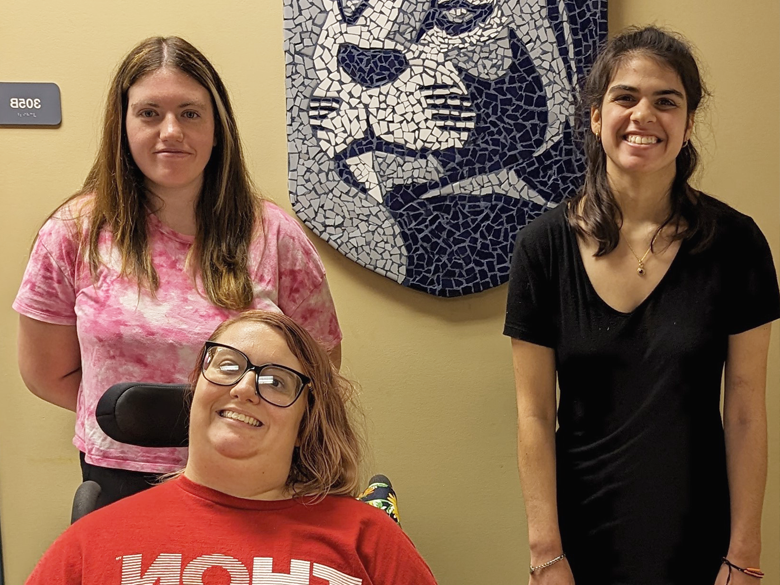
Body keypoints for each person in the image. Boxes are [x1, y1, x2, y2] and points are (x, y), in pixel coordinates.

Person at [13, 36, 342, 507]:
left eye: (190, 113)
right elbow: (46, 373)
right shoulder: (72, 233)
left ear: (217, 127)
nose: (171, 131)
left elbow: (320, 363)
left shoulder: (275, 235)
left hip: (247, 470)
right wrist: (144, 418)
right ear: (122, 124)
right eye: (150, 113)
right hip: (120, 474)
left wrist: (233, 424)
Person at [504, 26, 780, 585]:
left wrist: (745, 552)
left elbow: (747, 410)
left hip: (701, 545)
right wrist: (545, 552)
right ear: (596, 117)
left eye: (666, 101)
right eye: (625, 97)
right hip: (578, 548)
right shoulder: (542, 247)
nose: (643, 115)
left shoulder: (738, 244)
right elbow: (534, 415)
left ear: (688, 123)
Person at [25, 311, 438, 585]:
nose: (244, 388)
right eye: (227, 366)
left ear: (304, 424)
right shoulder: (92, 541)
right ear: (197, 390)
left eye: (276, 381)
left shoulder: (366, 537)